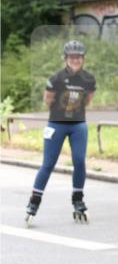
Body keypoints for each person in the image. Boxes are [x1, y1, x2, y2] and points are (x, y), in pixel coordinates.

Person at [24, 40, 97, 225]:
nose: (75, 59)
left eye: (78, 57)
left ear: (83, 59)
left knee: (79, 161)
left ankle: (78, 199)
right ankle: (34, 202)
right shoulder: (56, 78)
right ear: (65, 58)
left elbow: (88, 100)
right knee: (48, 164)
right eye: (72, 57)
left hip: (78, 124)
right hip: (57, 123)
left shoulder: (89, 79)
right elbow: (48, 100)